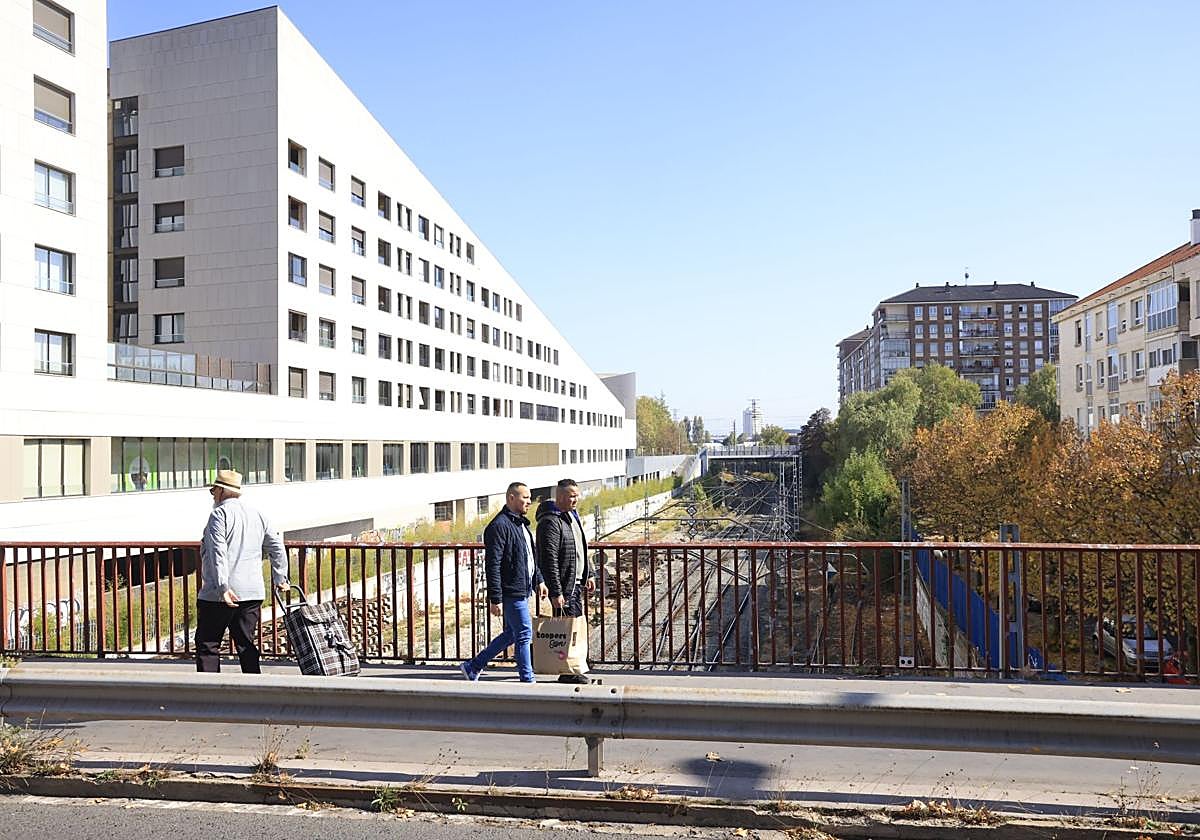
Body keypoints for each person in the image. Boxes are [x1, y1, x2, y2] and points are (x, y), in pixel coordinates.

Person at [196, 468, 289, 673]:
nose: (213, 496)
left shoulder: (219, 515)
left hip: (219, 595)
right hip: (252, 592)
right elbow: (276, 546)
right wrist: (280, 577)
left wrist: (223, 587)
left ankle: (209, 692)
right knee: (246, 645)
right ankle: (255, 689)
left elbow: (217, 553)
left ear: (221, 491)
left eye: (213, 491)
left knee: (208, 644)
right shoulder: (258, 515)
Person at [460, 482, 546, 683]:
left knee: (512, 633)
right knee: (524, 632)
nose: (529, 501)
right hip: (511, 591)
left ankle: (473, 666)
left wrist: (538, 580)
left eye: (529, 497)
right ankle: (527, 680)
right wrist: (495, 598)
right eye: (525, 497)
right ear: (511, 498)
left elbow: (529, 558)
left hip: (522, 588)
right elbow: (493, 564)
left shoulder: (521, 524)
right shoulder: (499, 526)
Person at [535, 478, 595, 684]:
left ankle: (574, 664)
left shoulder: (570, 517)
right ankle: (567, 671)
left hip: (575, 582)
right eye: (572, 496)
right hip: (565, 585)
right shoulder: (551, 521)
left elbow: (580, 548)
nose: (576, 499)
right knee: (567, 627)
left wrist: (590, 573)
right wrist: (556, 592)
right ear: (560, 497)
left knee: (574, 624)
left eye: (577, 495)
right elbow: (548, 558)